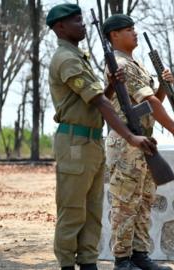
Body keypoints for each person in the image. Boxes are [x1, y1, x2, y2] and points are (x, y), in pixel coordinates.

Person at [47, 4, 156, 270]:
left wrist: (109, 86)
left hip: (91, 140)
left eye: (83, 20)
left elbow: (95, 99)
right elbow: (99, 103)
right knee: (72, 210)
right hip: (75, 141)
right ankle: (66, 264)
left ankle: (87, 262)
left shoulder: (78, 56)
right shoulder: (66, 58)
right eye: (76, 21)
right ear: (60, 27)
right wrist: (131, 136)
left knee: (93, 210)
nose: (83, 25)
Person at [102, 14, 174, 270]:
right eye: (129, 29)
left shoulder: (137, 65)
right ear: (114, 35)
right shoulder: (120, 64)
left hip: (142, 140)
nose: (134, 33)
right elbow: (152, 104)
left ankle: (140, 255)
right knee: (125, 203)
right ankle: (122, 260)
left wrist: (165, 86)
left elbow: (152, 101)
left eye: (134, 29)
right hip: (126, 143)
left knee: (144, 201)